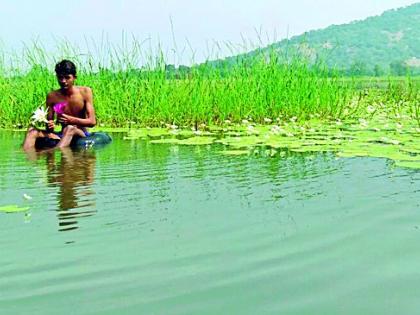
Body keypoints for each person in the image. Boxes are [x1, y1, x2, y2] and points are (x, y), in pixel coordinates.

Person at [22, 60, 96, 150]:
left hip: (79, 132)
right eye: (60, 77)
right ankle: (25, 158)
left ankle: (53, 151)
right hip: (62, 133)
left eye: (67, 77)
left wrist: (72, 120)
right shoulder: (52, 96)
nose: (63, 81)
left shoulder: (85, 92)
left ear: (74, 78)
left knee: (69, 128)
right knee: (31, 131)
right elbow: (50, 126)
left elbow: (92, 122)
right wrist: (50, 125)